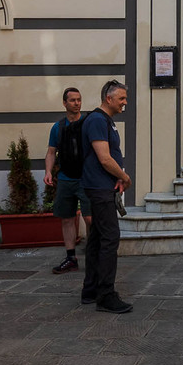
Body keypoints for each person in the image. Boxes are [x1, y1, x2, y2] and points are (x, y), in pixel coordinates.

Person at [80, 78, 132, 313]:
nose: (125, 103)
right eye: (121, 98)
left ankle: (90, 290)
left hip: (102, 187)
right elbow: (104, 158)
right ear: (108, 98)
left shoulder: (104, 120)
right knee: (110, 238)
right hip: (100, 188)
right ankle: (106, 295)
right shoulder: (98, 120)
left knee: (98, 239)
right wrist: (124, 177)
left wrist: (118, 176)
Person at [44, 86, 88, 274]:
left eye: (79, 100)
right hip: (65, 178)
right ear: (64, 103)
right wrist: (48, 172)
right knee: (67, 219)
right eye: (72, 100)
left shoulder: (88, 123)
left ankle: (94, 256)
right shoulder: (58, 127)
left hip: (87, 179)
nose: (77, 103)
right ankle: (71, 258)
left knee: (90, 218)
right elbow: (51, 152)